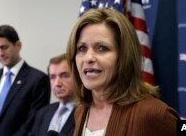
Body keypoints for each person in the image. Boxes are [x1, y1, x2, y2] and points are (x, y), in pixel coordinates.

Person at [66, 8, 179, 136]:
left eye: (102, 48)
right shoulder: (81, 111)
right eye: (82, 48)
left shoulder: (153, 113)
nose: (88, 58)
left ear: (124, 56)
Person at [0, 25, 51, 136]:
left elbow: (33, 123)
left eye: (4, 47)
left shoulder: (38, 80)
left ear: (18, 45)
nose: (0, 54)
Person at [30, 53, 76, 136]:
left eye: (64, 76)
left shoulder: (88, 112)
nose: (57, 83)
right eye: (52, 77)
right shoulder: (43, 113)